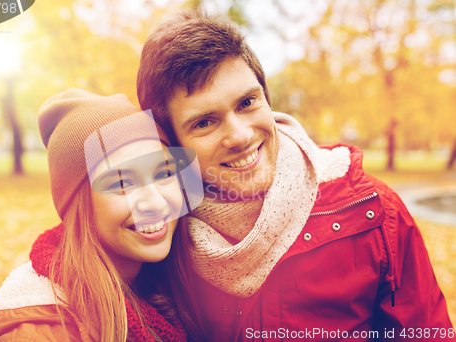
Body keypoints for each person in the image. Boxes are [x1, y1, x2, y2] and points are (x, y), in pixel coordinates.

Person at [136, 10, 454, 341]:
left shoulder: (374, 212)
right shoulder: (156, 238)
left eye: (247, 102)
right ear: (170, 143)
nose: (241, 136)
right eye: (204, 122)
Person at [0, 88, 205, 342]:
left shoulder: (170, 282)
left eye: (163, 174)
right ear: (78, 204)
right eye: (122, 182)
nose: (155, 201)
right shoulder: (35, 332)